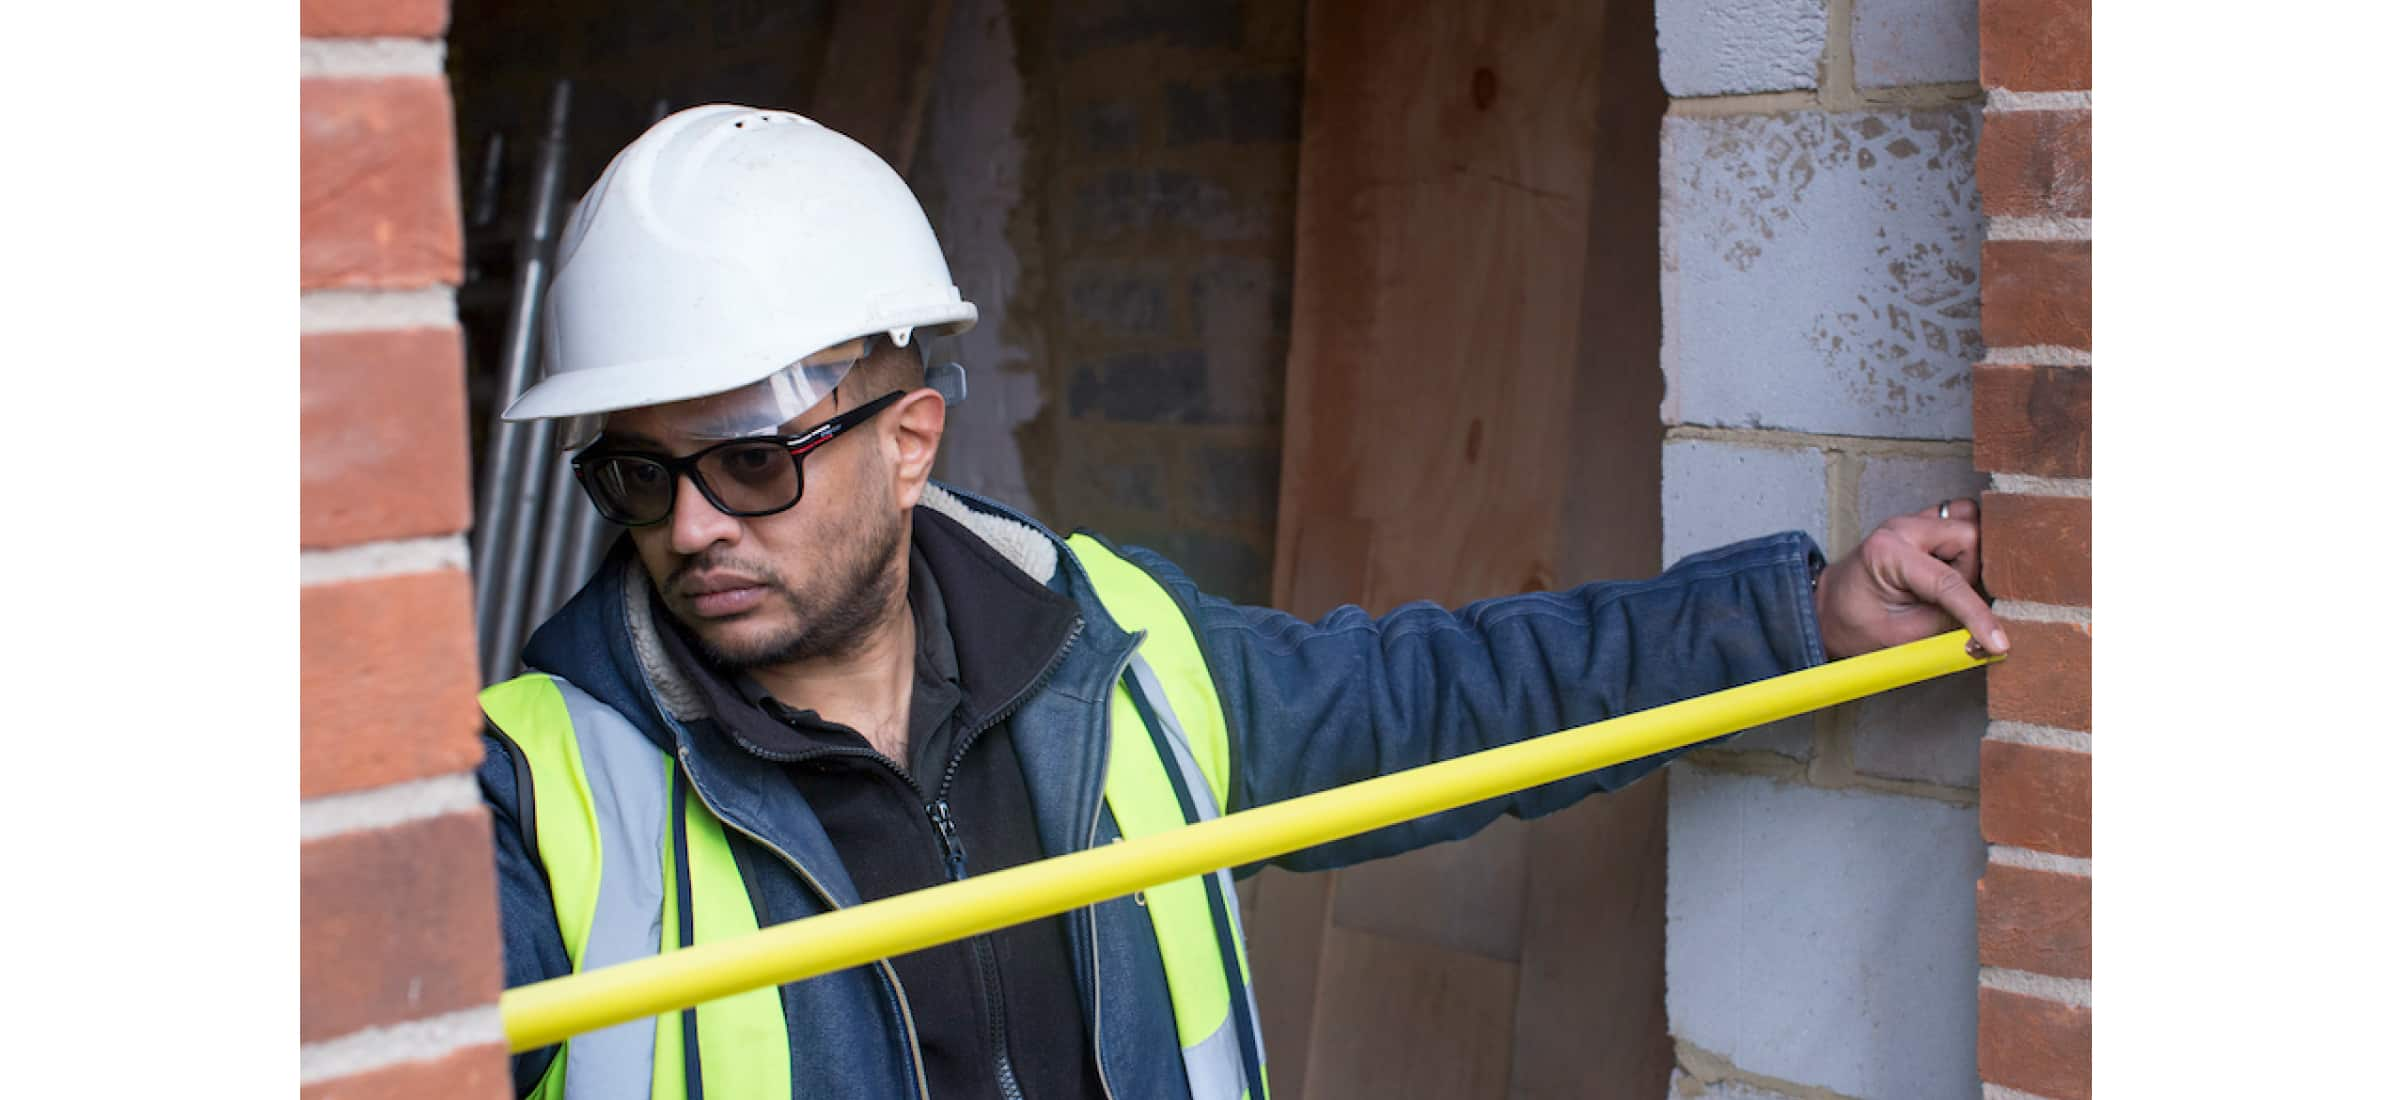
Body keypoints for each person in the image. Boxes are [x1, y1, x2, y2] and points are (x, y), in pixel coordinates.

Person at [477, 104, 2007, 1100]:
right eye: (633, 475)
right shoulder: (526, 801)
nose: (684, 528)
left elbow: (1449, 703)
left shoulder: (1116, 660)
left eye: (747, 465)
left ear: (910, 446)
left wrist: (1801, 623)